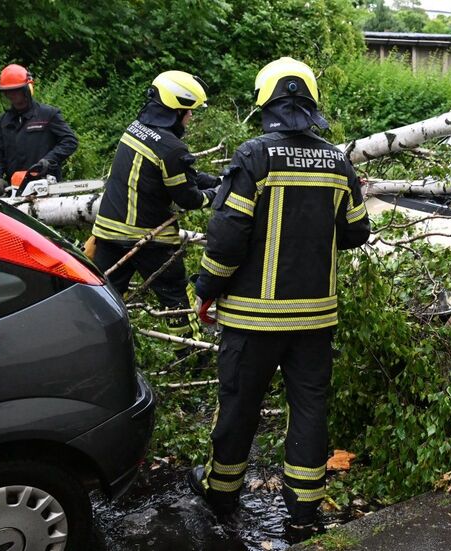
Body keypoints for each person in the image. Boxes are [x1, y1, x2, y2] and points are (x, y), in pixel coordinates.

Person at [188, 57, 371, 541]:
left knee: (239, 405)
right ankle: (305, 513)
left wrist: (205, 287)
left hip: (253, 320)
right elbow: (356, 234)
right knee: (310, 409)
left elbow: (227, 237)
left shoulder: (254, 156)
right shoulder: (338, 160)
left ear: (265, 102)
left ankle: (222, 495)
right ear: (312, 105)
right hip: (315, 319)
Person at [91, 70, 220, 364]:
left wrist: (213, 179)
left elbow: (177, 175)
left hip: (109, 232)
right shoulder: (172, 147)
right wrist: (217, 194)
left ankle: (99, 354)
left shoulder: (135, 129)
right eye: (189, 112)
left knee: (104, 298)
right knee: (176, 298)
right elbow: (188, 197)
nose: (190, 118)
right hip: (149, 238)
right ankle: (190, 357)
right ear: (175, 110)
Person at [0, 64, 79, 197]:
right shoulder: (4, 121)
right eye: (7, 92)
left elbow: (70, 141)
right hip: (15, 188)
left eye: (15, 91)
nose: (11, 95)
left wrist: (49, 160)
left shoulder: (48, 114)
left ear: (26, 89)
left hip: (46, 186)